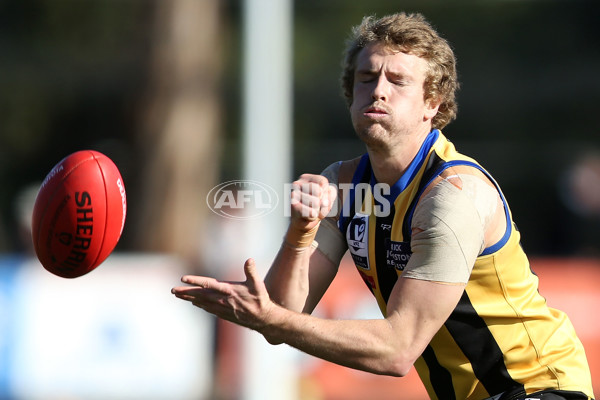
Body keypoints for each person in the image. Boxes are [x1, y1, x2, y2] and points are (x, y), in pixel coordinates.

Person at [172, 12, 595, 400]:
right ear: (349, 94)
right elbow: (286, 316)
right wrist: (299, 234)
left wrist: (268, 318)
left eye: (398, 80)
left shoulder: (452, 196)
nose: (378, 90)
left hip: (539, 387)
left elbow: (396, 351)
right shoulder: (343, 184)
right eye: (366, 77)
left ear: (434, 104)